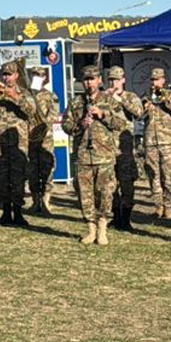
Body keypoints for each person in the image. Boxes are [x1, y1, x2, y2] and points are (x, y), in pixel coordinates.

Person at [62, 65, 128, 246]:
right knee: (85, 194)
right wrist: (80, 125)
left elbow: (121, 123)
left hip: (104, 155)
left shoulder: (109, 100)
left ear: (99, 80)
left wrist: (103, 115)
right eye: (86, 79)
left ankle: (102, 228)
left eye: (92, 79)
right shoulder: (76, 102)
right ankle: (90, 229)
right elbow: (66, 125)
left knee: (105, 193)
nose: (89, 83)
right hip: (84, 155)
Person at [100, 67, 147, 232]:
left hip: (124, 147)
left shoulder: (130, 97)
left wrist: (119, 100)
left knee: (126, 183)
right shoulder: (104, 97)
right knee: (109, 183)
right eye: (111, 79)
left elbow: (139, 113)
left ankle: (126, 218)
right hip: (106, 145)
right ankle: (115, 215)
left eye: (116, 79)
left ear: (123, 80)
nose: (113, 83)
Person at [0, 61, 35, 226]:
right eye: (4, 74)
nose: (6, 78)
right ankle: (5, 211)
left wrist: (15, 97)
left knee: (18, 177)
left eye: (9, 74)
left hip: (18, 142)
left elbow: (32, 111)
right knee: (1, 177)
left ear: (16, 76)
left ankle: (18, 211)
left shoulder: (24, 93)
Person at [143, 67, 171, 222]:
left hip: (168, 141)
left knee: (169, 176)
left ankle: (169, 206)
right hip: (151, 142)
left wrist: (164, 97)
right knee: (154, 175)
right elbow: (139, 115)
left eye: (158, 79)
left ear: (163, 80)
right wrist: (145, 107)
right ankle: (158, 205)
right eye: (153, 80)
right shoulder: (147, 96)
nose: (155, 82)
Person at [26, 66, 60, 216]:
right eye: (34, 75)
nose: (36, 77)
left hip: (45, 138)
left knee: (47, 170)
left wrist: (42, 124)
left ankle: (46, 201)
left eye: (39, 75)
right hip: (29, 139)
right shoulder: (27, 95)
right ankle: (35, 201)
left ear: (45, 78)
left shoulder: (50, 96)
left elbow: (54, 115)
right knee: (32, 170)